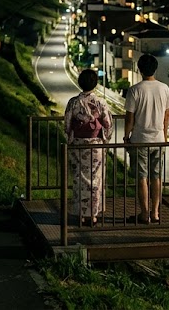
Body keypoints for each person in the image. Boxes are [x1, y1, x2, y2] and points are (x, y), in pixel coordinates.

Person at [123, 54, 169, 224]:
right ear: (155, 69)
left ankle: (144, 214)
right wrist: (164, 135)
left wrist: (126, 137)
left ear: (139, 69)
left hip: (140, 140)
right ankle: (155, 213)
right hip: (158, 139)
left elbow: (129, 118)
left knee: (142, 177)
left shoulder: (134, 90)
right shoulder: (164, 88)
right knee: (156, 177)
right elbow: (167, 115)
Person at [64, 69, 114, 226]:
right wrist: (105, 139)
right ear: (95, 84)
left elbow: (67, 125)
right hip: (95, 146)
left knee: (79, 179)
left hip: (78, 145)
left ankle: (80, 214)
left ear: (80, 83)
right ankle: (93, 215)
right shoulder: (100, 102)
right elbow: (108, 124)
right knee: (95, 179)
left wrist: (71, 137)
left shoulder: (73, 102)